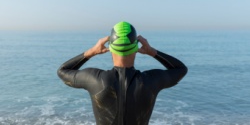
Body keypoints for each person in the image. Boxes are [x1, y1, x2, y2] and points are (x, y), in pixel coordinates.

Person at [57, 21, 188, 125]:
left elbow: (62, 71)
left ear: (110, 48)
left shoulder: (96, 80)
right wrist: (152, 52)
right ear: (136, 48)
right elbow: (180, 69)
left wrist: (91, 52)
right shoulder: (150, 81)